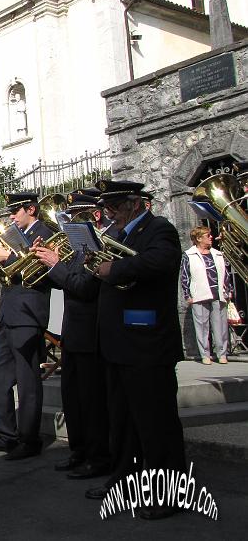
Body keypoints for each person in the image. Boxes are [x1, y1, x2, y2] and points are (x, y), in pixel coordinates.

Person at [84, 180, 186, 520]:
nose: (109, 213)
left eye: (115, 206)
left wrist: (116, 268)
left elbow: (162, 261)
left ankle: (168, 494)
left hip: (147, 344)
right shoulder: (120, 235)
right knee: (124, 424)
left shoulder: (160, 229)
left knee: (156, 424)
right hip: (118, 345)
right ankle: (124, 485)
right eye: (108, 207)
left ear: (135, 203)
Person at [33, 190, 111, 480]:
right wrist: (45, 261)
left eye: (77, 218)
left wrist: (55, 265)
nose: (70, 225)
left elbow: (84, 288)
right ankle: (79, 451)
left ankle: (98, 456)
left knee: (92, 401)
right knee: (73, 399)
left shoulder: (100, 247)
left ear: (95, 216)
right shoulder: (78, 250)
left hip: (92, 334)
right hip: (73, 333)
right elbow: (65, 284)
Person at [0, 192, 53, 460]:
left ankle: (29, 438)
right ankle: (5, 433)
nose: (11, 216)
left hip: (29, 312)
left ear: (31, 209)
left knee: (27, 379)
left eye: (15, 211)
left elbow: (41, 270)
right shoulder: (14, 234)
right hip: (8, 310)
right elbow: (7, 272)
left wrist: (8, 258)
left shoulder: (46, 231)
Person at [181, 225, 231, 364]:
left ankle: (222, 354)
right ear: (198, 238)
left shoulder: (217, 253)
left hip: (218, 293)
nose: (210, 237)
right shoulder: (188, 255)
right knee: (202, 326)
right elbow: (185, 275)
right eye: (207, 235)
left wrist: (229, 289)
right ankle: (205, 355)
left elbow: (225, 273)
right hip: (199, 293)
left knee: (220, 326)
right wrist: (187, 294)